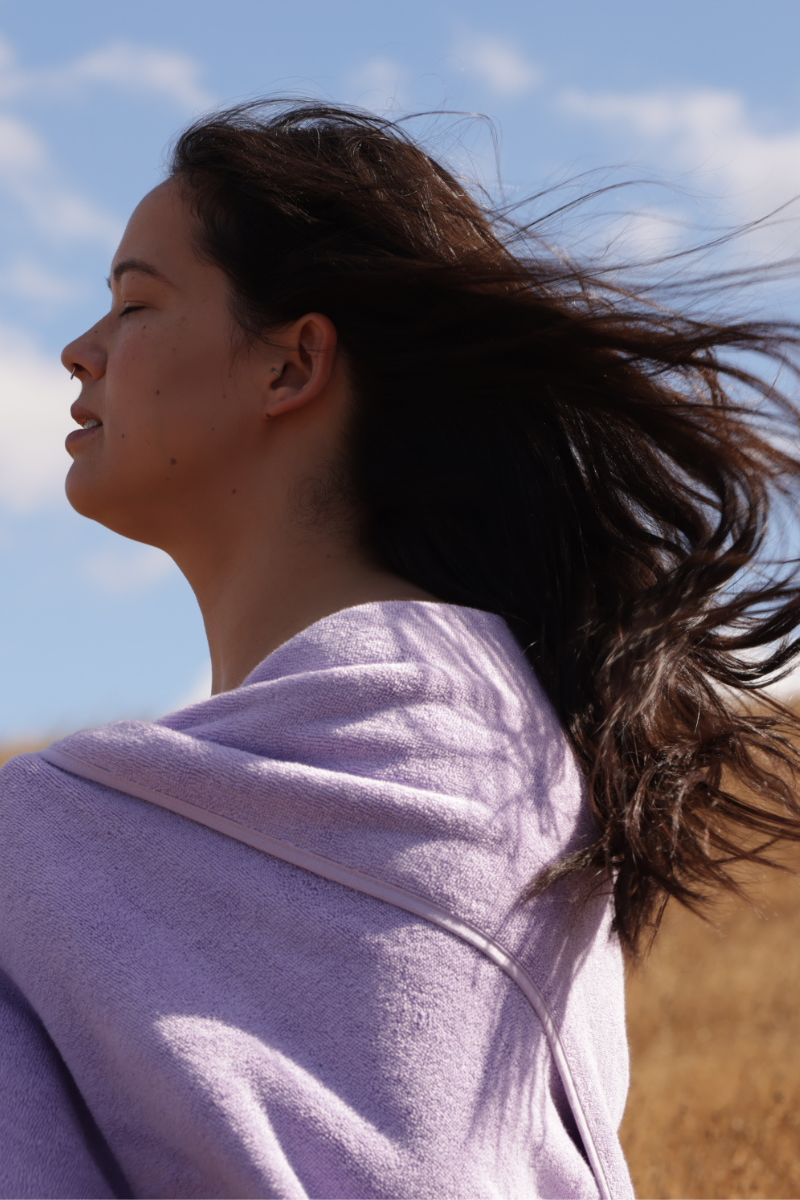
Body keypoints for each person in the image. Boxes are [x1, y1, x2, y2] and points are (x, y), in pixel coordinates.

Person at [1, 98, 799, 1199]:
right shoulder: (490, 745)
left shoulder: (403, 762)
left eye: (135, 304)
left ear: (291, 367)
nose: (78, 352)